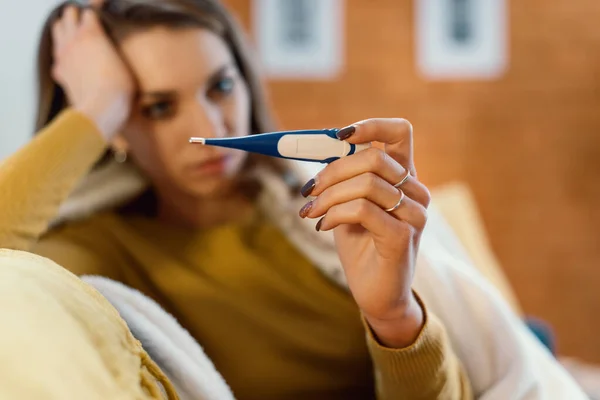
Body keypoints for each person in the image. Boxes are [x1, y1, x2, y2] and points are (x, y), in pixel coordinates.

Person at [0, 0, 587, 399]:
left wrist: (396, 319)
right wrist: (95, 108)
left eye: (220, 85)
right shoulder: (94, 248)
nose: (209, 123)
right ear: (114, 127)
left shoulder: (320, 202)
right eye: (157, 106)